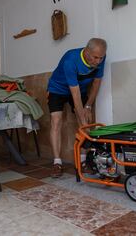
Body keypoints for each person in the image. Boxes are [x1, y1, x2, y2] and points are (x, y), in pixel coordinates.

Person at [47, 38, 107, 178]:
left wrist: (88, 106)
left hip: (81, 89)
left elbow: (96, 83)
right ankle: (57, 163)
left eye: (101, 58)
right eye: (95, 57)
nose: (98, 61)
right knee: (56, 121)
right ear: (86, 51)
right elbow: (75, 94)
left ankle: (83, 163)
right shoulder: (71, 60)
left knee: (85, 123)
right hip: (58, 89)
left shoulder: (100, 58)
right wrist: (83, 119)